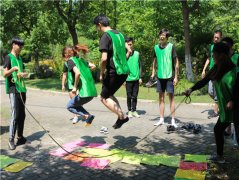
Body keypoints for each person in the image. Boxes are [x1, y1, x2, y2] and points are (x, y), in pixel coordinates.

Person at [185, 42, 237, 163]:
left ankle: (220, 157)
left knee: (223, 131)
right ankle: (220, 157)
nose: (213, 57)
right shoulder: (217, 67)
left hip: (235, 108)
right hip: (226, 110)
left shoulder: (234, 71)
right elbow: (204, 80)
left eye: (214, 55)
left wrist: (233, 100)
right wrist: (191, 89)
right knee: (218, 130)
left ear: (222, 56)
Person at [93, 14, 130, 129]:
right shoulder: (119, 34)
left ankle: (122, 117)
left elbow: (104, 58)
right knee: (109, 94)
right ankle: (120, 117)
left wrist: (101, 72)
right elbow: (128, 49)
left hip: (113, 71)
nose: (97, 29)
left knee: (103, 98)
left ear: (99, 25)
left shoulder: (105, 36)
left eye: (96, 27)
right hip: (124, 71)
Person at [150, 28, 179, 127]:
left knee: (171, 98)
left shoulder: (171, 47)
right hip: (160, 76)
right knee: (161, 98)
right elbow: (154, 61)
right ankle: (161, 119)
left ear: (167, 37)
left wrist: (176, 77)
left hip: (170, 76)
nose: (162, 36)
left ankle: (173, 120)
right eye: (161, 35)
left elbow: (176, 63)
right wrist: (153, 72)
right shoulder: (156, 48)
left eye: (164, 35)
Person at [62, 46, 97, 126]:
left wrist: (74, 87)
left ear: (66, 54)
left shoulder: (70, 61)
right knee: (76, 104)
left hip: (84, 92)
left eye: (64, 56)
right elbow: (93, 66)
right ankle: (88, 115)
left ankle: (87, 115)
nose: (64, 58)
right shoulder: (82, 60)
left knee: (69, 106)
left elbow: (77, 73)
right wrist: (86, 71)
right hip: (91, 92)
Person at [3, 37, 28, 150]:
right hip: (13, 89)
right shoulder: (8, 57)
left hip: (22, 88)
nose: (21, 48)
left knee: (22, 114)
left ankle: (20, 137)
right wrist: (13, 69)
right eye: (19, 45)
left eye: (22, 46)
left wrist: (23, 74)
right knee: (15, 114)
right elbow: (5, 74)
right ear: (14, 45)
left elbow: (21, 72)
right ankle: (10, 140)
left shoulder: (20, 58)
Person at [221, 37, 239, 146]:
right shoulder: (223, 59)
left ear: (230, 47)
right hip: (227, 92)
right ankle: (229, 131)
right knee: (228, 115)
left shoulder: (237, 57)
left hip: (236, 92)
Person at [201, 30, 222, 118]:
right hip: (211, 72)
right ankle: (220, 103)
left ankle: (215, 111)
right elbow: (209, 59)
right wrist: (204, 70)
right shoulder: (211, 47)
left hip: (218, 72)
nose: (216, 39)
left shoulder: (222, 48)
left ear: (220, 38)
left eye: (217, 37)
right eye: (215, 37)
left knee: (217, 93)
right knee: (210, 92)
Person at [125, 37, 142, 118]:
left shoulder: (137, 53)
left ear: (133, 44)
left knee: (135, 96)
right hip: (127, 79)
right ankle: (129, 111)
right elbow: (122, 66)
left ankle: (134, 110)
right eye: (128, 44)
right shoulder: (124, 54)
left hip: (136, 79)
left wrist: (140, 77)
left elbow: (140, 65)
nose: (130, 46)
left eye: (131, 44)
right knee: (129, 96)